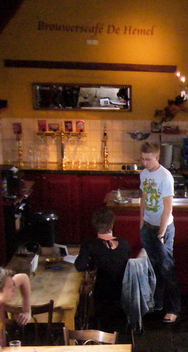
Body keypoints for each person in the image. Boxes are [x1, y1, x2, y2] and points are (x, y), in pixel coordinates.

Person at [139, 140, 180, 324]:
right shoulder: (143, 174)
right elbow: (143, 199)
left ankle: (173, 309)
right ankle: (157, 304)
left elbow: (167, 208)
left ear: (157, 157)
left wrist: (162, 234)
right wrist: (141, 224)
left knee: (167, 269)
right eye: (142, 159)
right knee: (154, 269)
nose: (145, 163)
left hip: (163, 229)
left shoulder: (165, 176)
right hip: (147, 227)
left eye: (148, 159)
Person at [75, 208, 130, 333]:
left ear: (94, 225)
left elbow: (79, 266)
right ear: (112, 225)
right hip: (123, 294)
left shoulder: (90, 244)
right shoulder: (124, 243)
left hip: (101, 296)